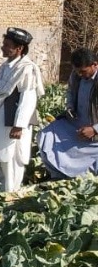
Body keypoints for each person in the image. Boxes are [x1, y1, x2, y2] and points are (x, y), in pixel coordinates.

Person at [0, 27, 44, 192]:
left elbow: (28, 98)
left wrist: (19, 125)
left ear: (19, 49)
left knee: (10, 162)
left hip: (13, 126)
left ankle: (9, 200)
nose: (3, 47)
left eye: (7, 45)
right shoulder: (5, 67)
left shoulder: (27, 68)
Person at [39, 48, 98, 180]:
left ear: (95, 64)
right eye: (77, 71)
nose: (80, 74)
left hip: (94, 132)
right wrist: (70, 108)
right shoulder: (76, 75)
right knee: (46, 135)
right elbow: (70, 92)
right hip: (77, 124)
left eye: (83, 71)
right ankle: (58, 177)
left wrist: (94, 129)